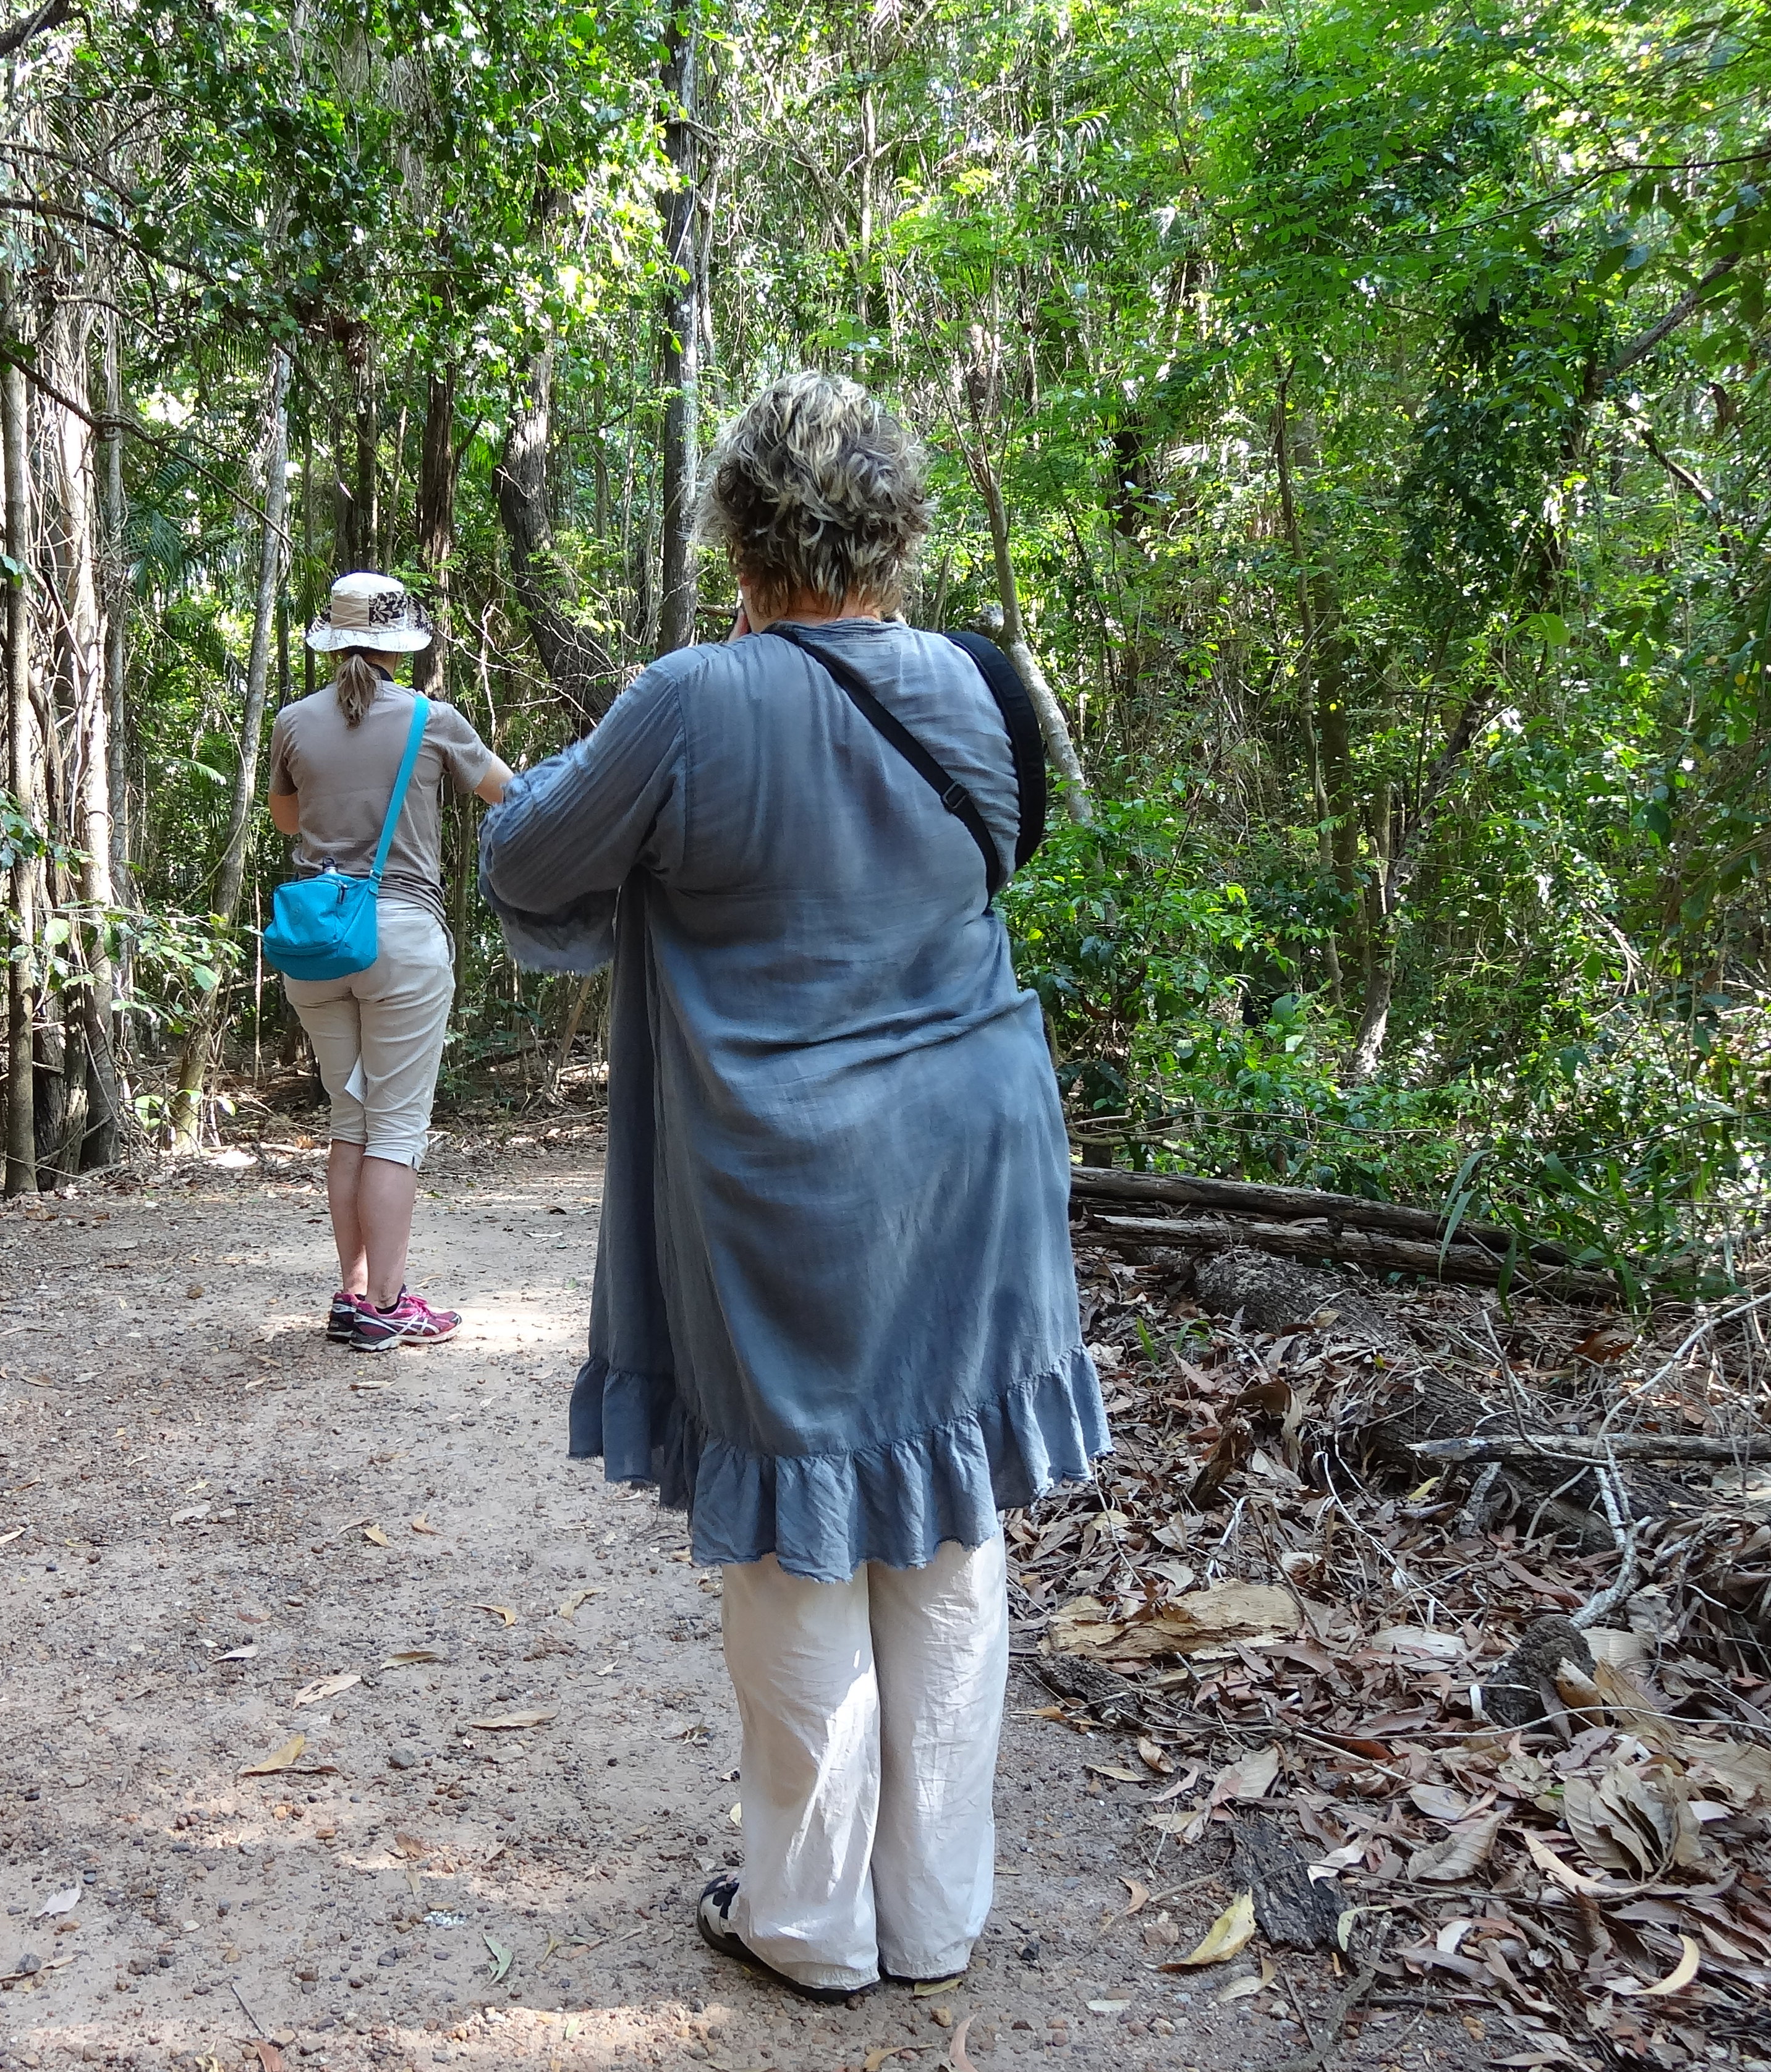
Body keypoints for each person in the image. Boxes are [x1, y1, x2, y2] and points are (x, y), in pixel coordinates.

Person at [478, 373, 1108, 1999]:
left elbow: (534, 863)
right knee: (950, 1523)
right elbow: (987, 860)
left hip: (784, 1187)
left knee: (797, 1543)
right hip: (976, 1156)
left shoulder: (693, 699)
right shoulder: (988, 685)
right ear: (898, 529)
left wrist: (524, 789)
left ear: (738, 533)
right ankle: (934, 1913)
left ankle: (814, 1922)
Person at [270, 572, 511, 1351]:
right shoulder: (431, 719)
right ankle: (386, 1302)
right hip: (400, 936)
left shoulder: (293, 722)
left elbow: (287, 821)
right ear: (400, 644)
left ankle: (350, 1296)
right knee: (396, 1132)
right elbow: (510, 795)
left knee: (351, 1120)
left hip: (315, 942)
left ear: (334, 638)